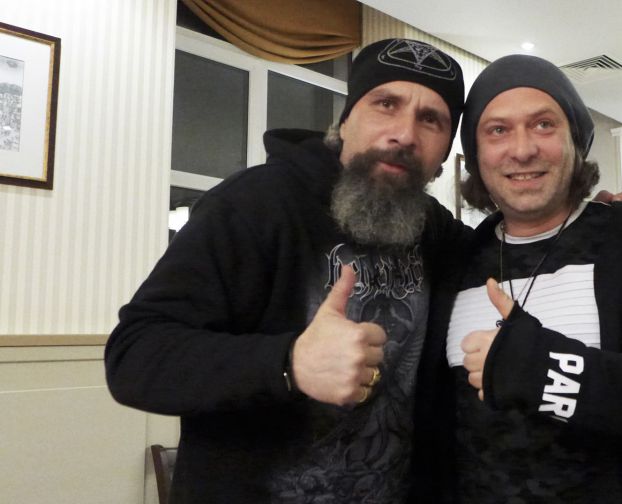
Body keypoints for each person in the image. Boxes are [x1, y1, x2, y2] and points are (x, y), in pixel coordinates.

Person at [104, 38, 474, 502]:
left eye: (431, 119)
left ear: (443, 153)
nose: (404, 134)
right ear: (346, 120)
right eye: (385, 104)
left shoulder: (436, 232)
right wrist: (289, 363)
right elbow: (134, 356)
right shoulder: (252, 206)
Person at [433, 54, 622, 504]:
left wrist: (546, 369)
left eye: (543, 125)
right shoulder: (454, 260)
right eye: (497, 130)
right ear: (476, 156)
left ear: (576, 141)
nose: (522, 149)